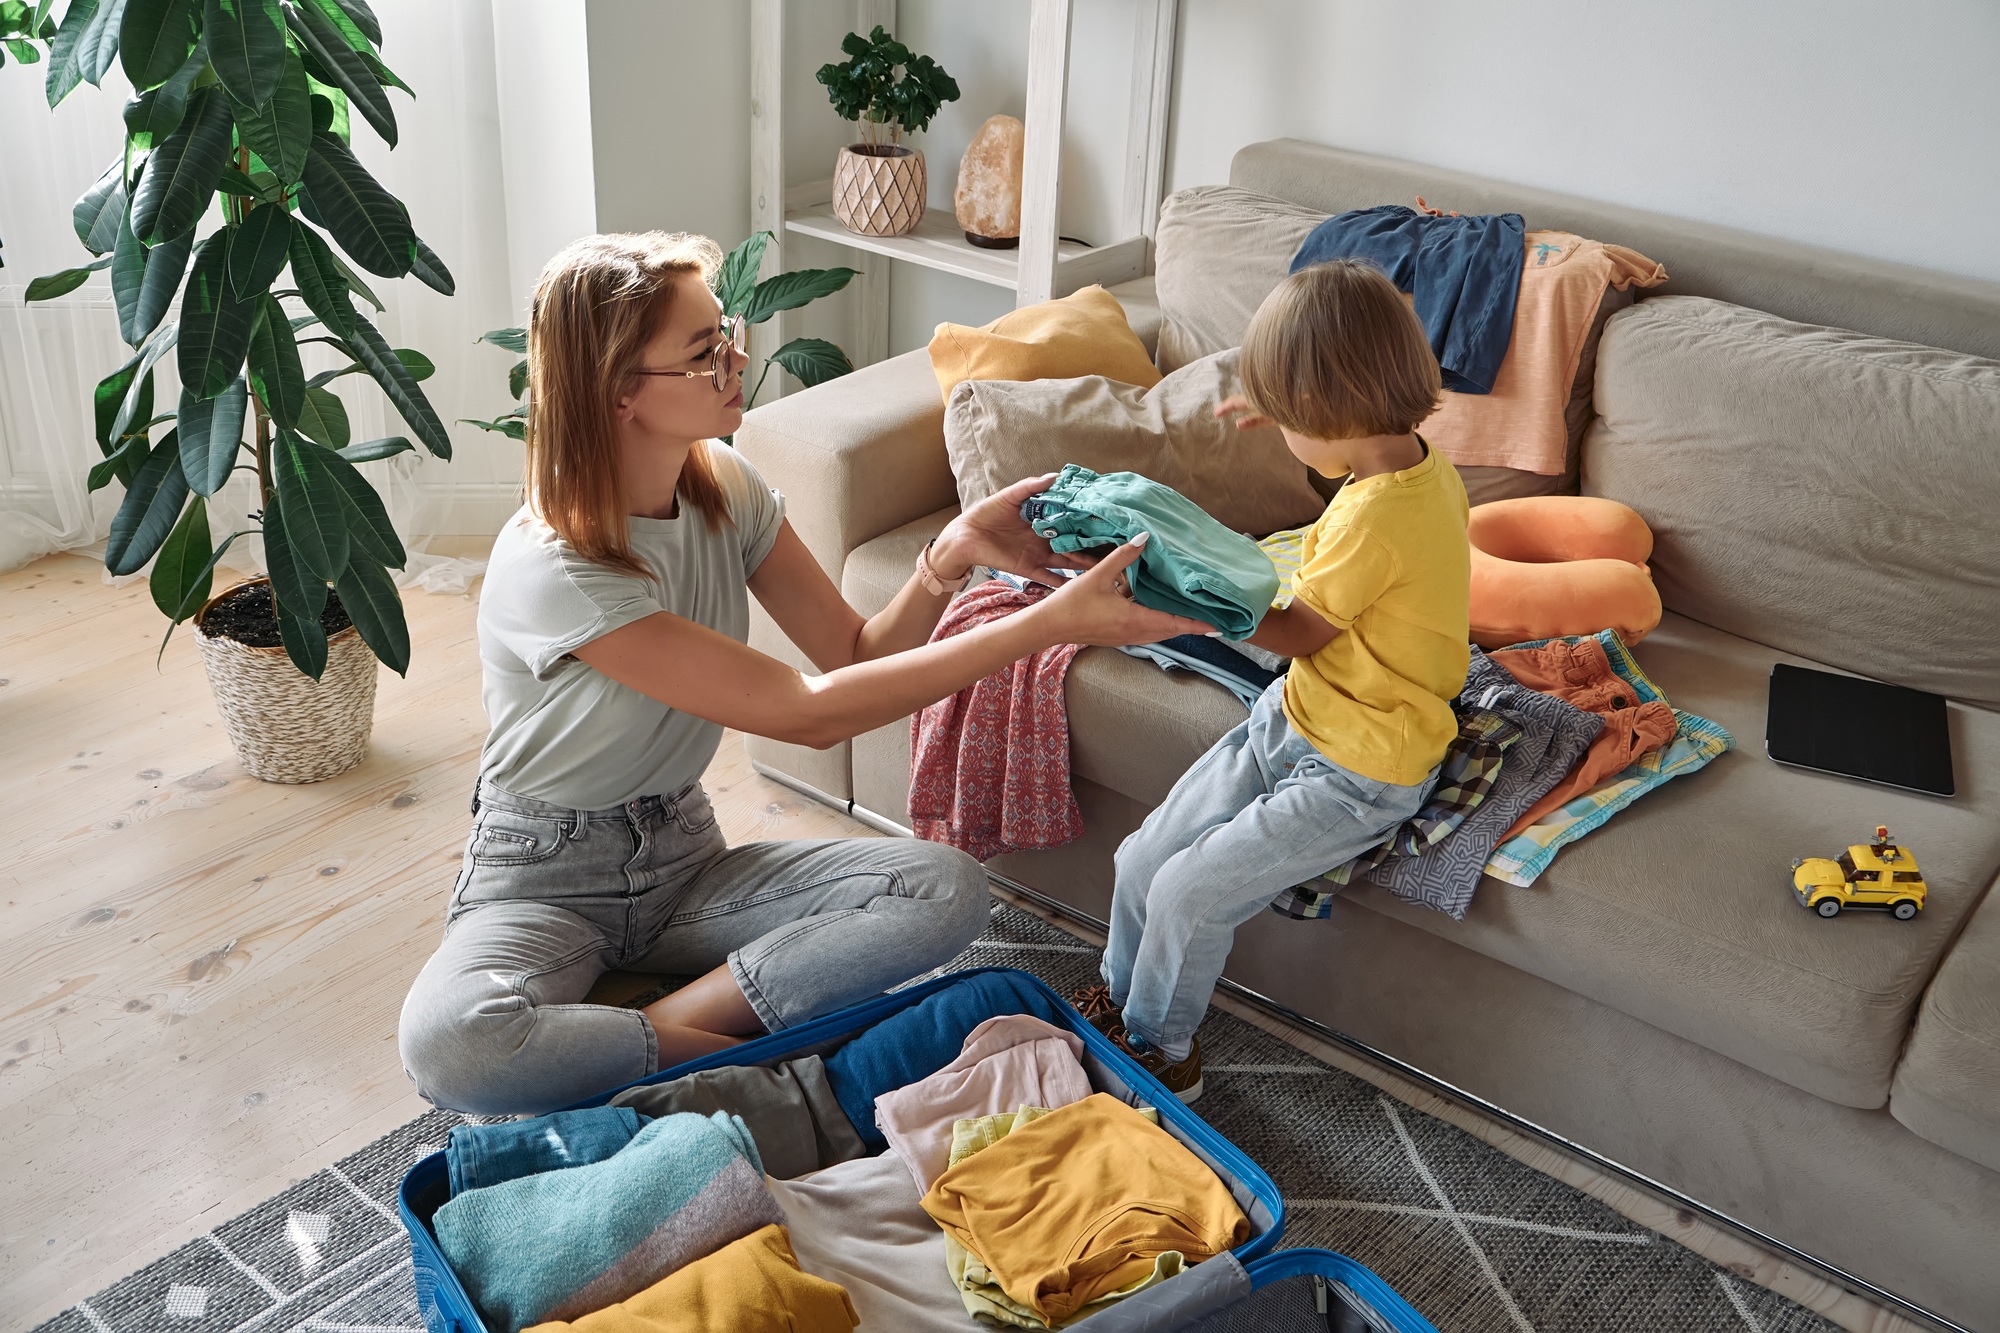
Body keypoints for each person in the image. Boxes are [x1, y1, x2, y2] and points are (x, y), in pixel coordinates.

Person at [399, 232, 1208, 1116]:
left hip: (683, 857)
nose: (737, 358)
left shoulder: (724, 485)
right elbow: (808, 713)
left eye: (727, 333)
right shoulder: (554, 567)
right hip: (547, 874)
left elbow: (854, 657)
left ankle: (650, 1037)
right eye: (705, 352)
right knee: (452, 1041)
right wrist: (1043, 625)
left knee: (946, 888)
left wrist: (951, 556)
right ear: (620, 392)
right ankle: (765, 1069)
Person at [1071, 259, 1472, 1101]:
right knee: (1142, 857)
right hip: (1295, 718)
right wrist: (1293, 410)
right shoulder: (1408, 464)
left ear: (1330, 412)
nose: (1280, 430)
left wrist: (1182, 597)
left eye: (1290, 414)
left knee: (1186, 894)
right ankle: (1111, 1007)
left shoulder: (1377, 519)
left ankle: (1157, 1057)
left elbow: (1292, 630)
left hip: (1364, 767)